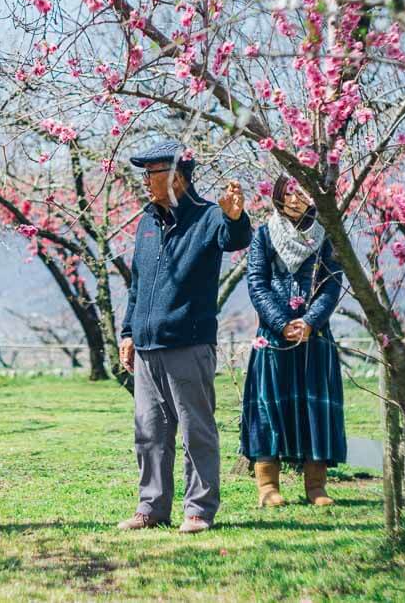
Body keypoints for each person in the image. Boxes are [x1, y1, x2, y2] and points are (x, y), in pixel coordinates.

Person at [117, 140, 251, 534]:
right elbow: (137, 286)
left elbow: (235, 239)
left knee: (197, 432)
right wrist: (127, 332)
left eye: (151, 174)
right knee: (150, 434)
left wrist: (236, 217)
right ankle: (152, 508)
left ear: (176, 176)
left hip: (188, 343)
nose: (144, 182)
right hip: (145, 347)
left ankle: (198, 510)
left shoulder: (209, 217)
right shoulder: (146, 223)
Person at [240, 174, 347, 507]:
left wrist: (311, 322)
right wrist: (281, 323)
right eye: (290, 191)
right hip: (273, 338)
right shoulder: (264, 235)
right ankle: (268, 487)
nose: (296, 197)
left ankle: (316, 486)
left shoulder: (327, 235)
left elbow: (333, 284)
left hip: (314, 338)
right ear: (278, 196)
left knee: (314, 407)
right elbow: (256, 282)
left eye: (303, 191)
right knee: (268, 409)